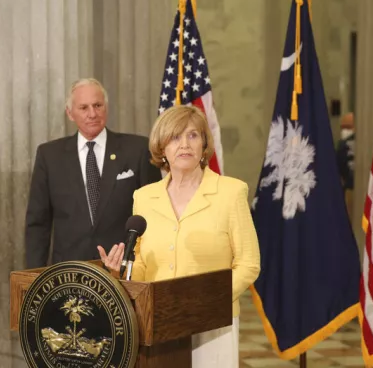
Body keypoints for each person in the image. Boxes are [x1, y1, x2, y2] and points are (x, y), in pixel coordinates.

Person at [98, 105, 261, 367]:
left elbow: (249, 264)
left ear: (204, 144)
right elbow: (142, 265)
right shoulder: (144, 197)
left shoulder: (231, 192)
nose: (184, 144)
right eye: (175, 137)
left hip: (213, 324)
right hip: (158, 324)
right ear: (162, 148)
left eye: (193, 135)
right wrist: (122, 272)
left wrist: (206, 302)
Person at [25, 78, 162, 269]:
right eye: (83, 107)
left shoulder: (137, 150)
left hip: (123, 270)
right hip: (69, 275)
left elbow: (154, 215)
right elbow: (38, 225)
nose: (92, 114)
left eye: (97, 105)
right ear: (70, 113)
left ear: (106, 107)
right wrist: (33, 277)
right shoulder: (49, 156)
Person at [336, 112, 355, 217]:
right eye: (343, 127)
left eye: (347, 127)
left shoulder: (343, 145)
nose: (345, 130)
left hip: (350, 190)